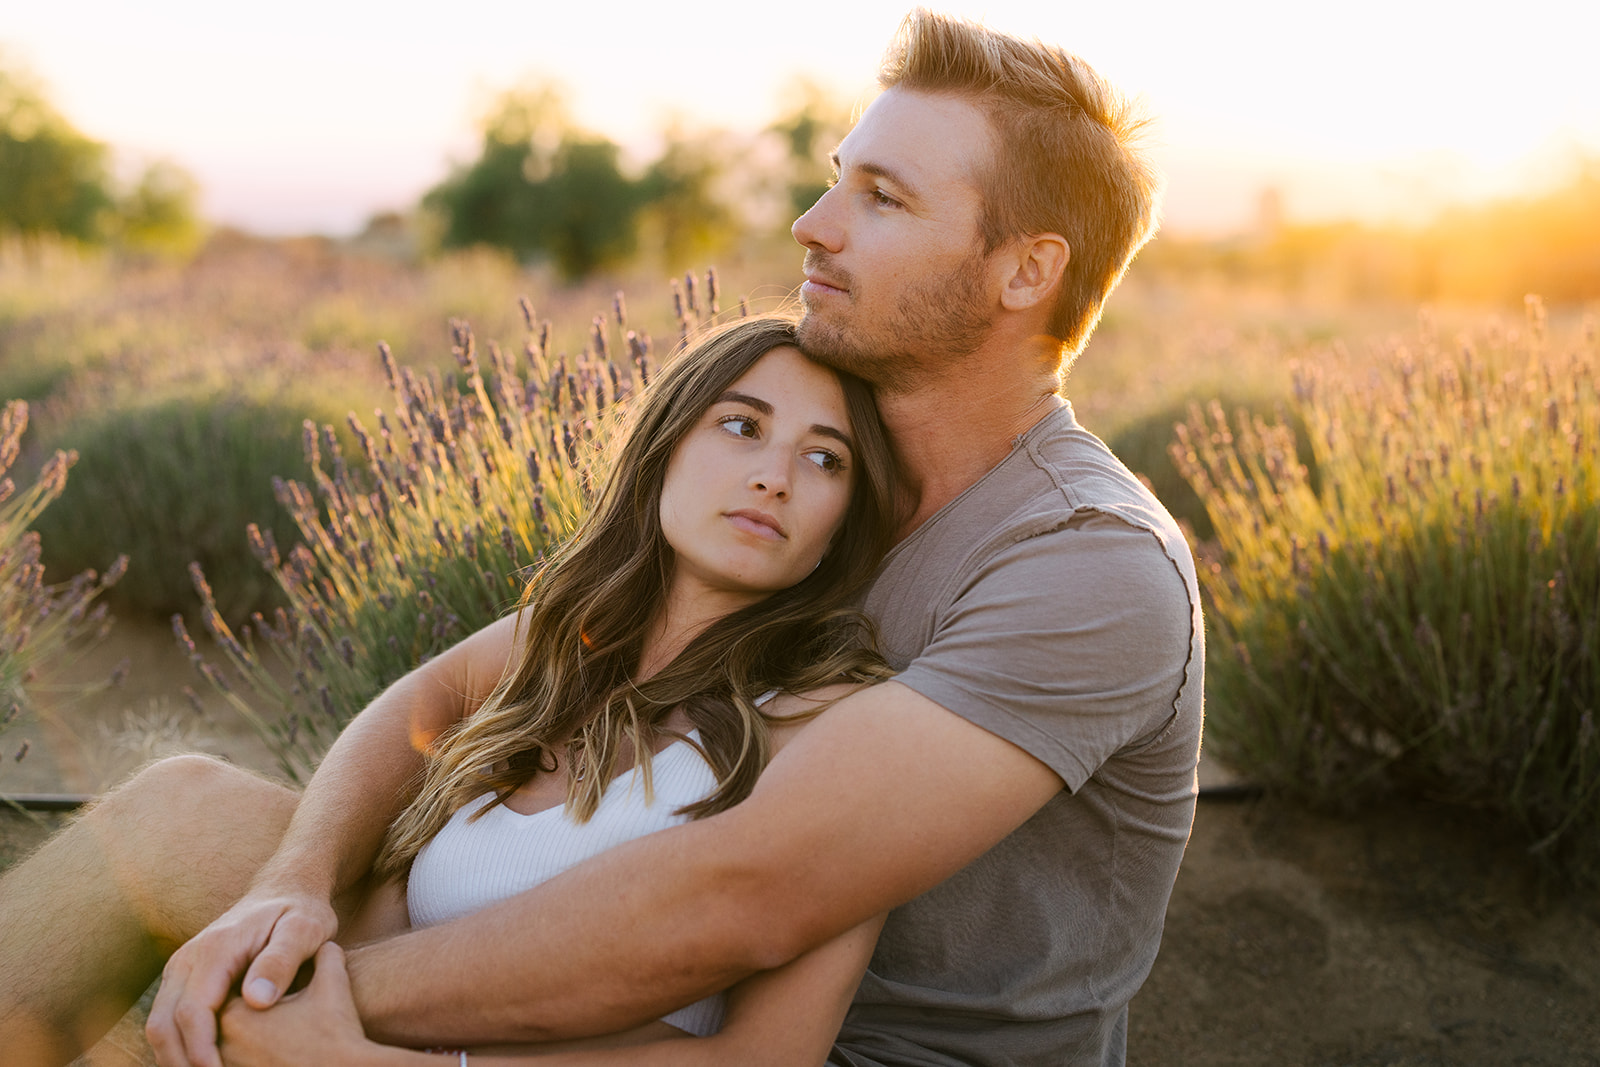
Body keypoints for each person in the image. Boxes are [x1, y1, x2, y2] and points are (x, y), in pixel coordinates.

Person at [11, 9, 1206, 1066]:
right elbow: (443, 687)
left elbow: (734, 898)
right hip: (635, 975)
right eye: (837, 179)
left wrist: (293, 996)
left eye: (882, 198)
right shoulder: (815, 499)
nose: (811, 223)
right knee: (177, 817)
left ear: (1025, 272)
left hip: (841, 1046)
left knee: (216, 1012)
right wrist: (287, 890)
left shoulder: (1086, 564)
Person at [0, 315, 900, 1066]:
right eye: (741, 426)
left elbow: (766, 1057)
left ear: (840, 526)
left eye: (826, 460)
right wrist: (292, 883)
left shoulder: (833, 720)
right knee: (177, 804)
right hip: (374, 990)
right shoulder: (568, 633)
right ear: (664, 449)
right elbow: (412, 707)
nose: (774, 476)